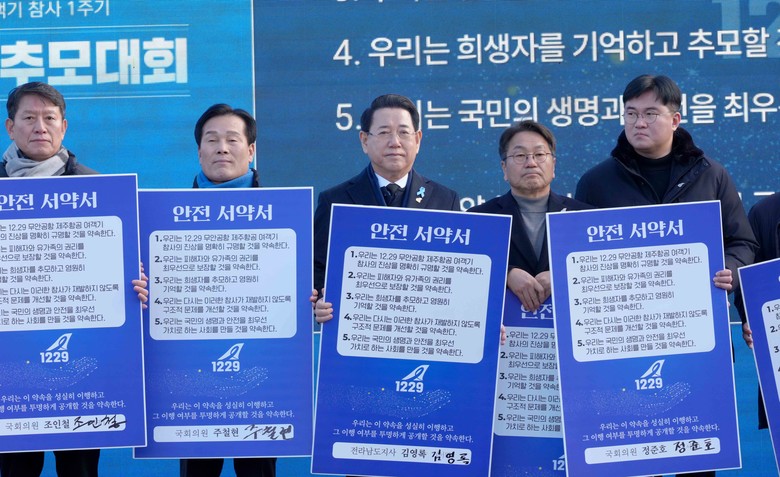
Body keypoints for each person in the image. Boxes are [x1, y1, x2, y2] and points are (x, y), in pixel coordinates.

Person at [575, 74, 757, 477]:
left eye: (650, 114)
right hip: (624, 345)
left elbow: (743, 242)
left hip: (698, 342)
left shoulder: (711, 175)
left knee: (698, 456)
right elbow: (579, 258)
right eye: (630, 114)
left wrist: (732, 270)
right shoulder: (596, 182)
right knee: (638, 459)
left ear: (675, 119)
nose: (638, 123)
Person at [0, 82, 148, 476]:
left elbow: (125, 266)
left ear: (63, 126)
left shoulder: (98, 189)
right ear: (10, 127)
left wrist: (134, 282)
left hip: (85, 364)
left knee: (79, 469)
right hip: (9, 363)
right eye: (29, 118)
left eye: (50, 118)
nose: (40, 127)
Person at [178, 103, 276, 477]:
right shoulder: (166, 217)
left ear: (250, 150)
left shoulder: (283, 213)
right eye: (212, 140)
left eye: (232, 140)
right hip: (193, 369)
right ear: (199, 150)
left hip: (263, 368)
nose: (222, 148)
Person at [311, 93, 460, 317]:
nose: (395, 142)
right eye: (383, 132)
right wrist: (320, 302)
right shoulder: (335, 201)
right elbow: (317, 268)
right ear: (364, 140)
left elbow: (458, 275)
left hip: (424, 326)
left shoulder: (445, 200)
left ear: (418, 140)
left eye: (403, 132)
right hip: (360, 326)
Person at [469, 120, 590, 311]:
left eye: (540, 155)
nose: (531, 163)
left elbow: (600, 271)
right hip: (504, 328)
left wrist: (562, 274)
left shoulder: (585, 216)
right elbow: (466, 272)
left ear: (553, 164)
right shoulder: (479, 218)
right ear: (504, 168)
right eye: (520, 155)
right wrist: (506, 274)